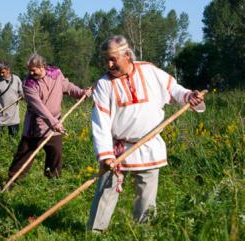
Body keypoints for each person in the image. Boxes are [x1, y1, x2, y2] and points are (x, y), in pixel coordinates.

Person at [87, 35, 206, 232]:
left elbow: (174, 90)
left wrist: (189, 96)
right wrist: (106, 155)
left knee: (146, 195)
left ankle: (143, 232)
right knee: (106, 190)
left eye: (113, 59)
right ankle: (94, 233)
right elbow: (100, 121)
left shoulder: (149, 71)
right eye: (105, 60)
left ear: (127, 55)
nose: (108, 64)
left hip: (148, 146)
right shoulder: (104, 84)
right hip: (118, 149)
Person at [7, 54, 91, 182]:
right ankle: (11, 181)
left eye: (33, 69)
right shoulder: (28, 84)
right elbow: (39, 108)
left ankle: (53, 182)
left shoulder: (56, 74)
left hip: (55, 123)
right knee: (24, 156)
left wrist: (81, 93)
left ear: (42, 67)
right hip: (36, 127)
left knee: (55, 154)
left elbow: (67, 86)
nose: (30, 72)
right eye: (29, 69)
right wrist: (53, 123)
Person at [0, 61, 23, 140]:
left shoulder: (16, 79)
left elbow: (21, 92)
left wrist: (23, 95)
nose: (1, 74)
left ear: (8, 70)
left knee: (13, 138)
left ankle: (12, 151)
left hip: (13, 115)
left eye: (3, 72)